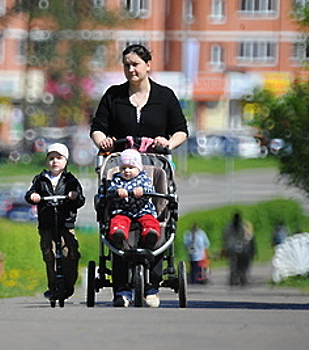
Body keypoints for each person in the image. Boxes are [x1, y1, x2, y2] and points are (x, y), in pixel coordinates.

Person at [90, 44, 188, 307]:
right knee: (117, 220)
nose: (131, 69)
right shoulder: (113, 96)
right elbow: (97, 128)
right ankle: (121, 288)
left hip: (155, 167)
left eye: (135, 64)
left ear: (148, 65)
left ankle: (152, 287)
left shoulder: (165, 96)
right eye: (126, 65)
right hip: (120, 168)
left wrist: (167, 143)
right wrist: (103, 142)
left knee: (156, 220)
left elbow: (181, 130)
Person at [24, 143, 85, 300]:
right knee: (49, 254)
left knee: (69, 254)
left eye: (59, 158)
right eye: (51, 158)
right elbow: (30, 193)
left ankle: (68, 285)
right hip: (47, 224)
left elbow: (80, 199)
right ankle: (53, 288)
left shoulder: (70, 180)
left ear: (66, 161)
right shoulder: (41, 179)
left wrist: (74, 196)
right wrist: (33, 196)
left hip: (65, 223)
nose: (55, 162)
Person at [107, 148, 160, 250]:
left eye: (131, 167)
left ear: (138, 168)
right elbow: (110, 190)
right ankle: (119, 236)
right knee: (118, 221)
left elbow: (151, 189)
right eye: (123, 168)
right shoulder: (117, 179)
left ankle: (150, 235)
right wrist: (118, 191)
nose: (127, 171)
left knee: (150, 221)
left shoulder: (143, 178)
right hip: (123, 210)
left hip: (143, 209)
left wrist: (143, 190)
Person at [222, 212, 256, 286]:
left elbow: (225, 238)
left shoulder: (231, 227)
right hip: (238, 249)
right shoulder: (240, 227)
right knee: (237, 265)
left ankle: (237, 278)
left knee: (236, 264)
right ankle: (238, 278)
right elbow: (245, 238)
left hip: (235, 248)